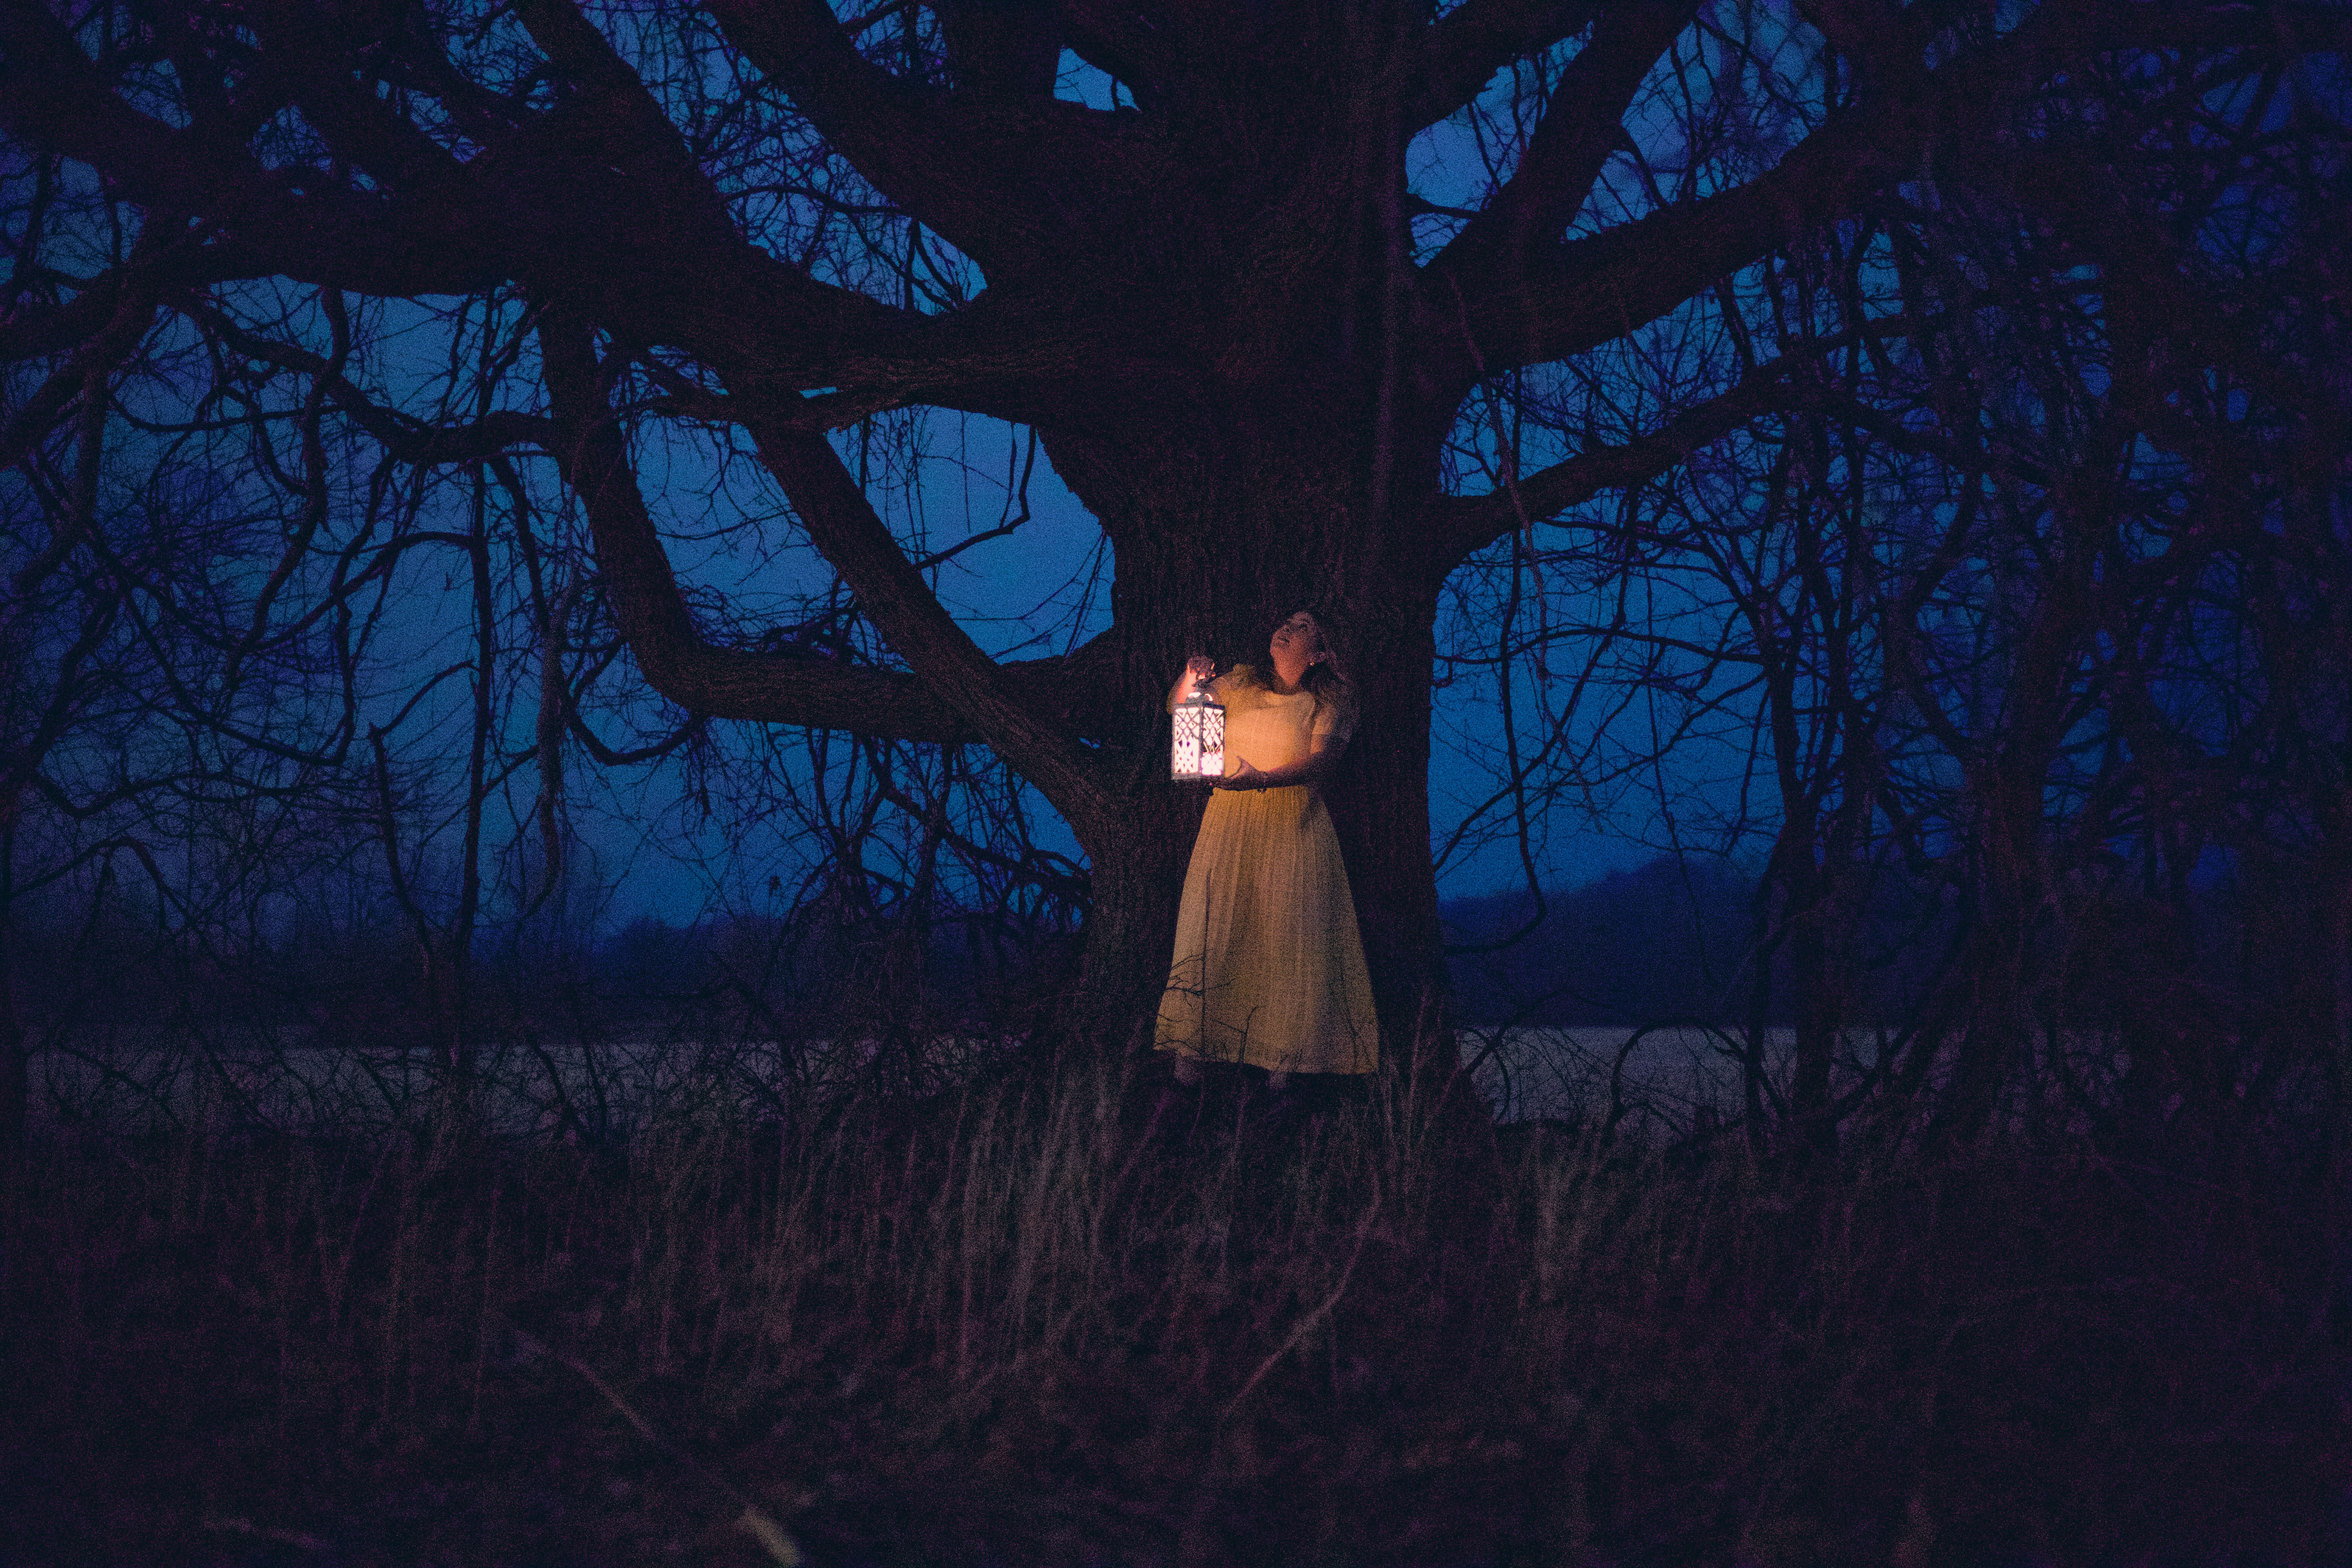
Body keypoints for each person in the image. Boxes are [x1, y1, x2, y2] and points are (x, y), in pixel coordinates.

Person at [1156, 609, 1380, 1090]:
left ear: (1320, 652)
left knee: (1286, 945)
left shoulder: (1332, 699)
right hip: (1228, 830)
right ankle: (1190, 1071)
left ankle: (1285, 1075)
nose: (1286, 628)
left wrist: (1261, 780)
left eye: (1302, 627)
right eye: (1286, 621)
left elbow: (1322, 763)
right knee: (1213, 936)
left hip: (1292, 832)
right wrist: (1191, 679)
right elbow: (1183, 714)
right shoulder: (1239, 684)